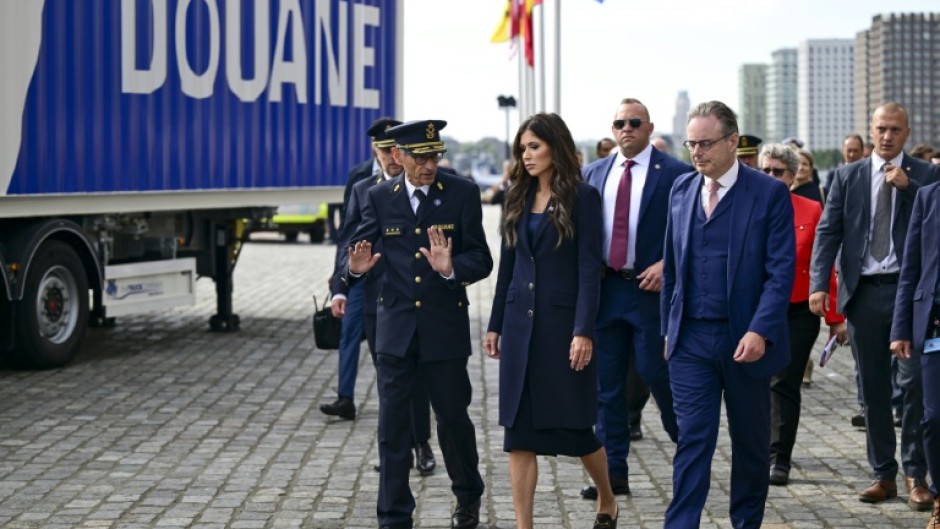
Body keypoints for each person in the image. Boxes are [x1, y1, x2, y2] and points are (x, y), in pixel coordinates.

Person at [345, 119, 492, 529]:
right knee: (392, 430)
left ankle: (467, 497)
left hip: (442, 330)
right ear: (399, 156)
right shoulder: (377, 197)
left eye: (435, 156)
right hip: (394, 331)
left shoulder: (462, 193)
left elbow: (482, 258)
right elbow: (357, 253)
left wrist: (451, 269)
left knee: (453, 421)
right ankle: (393, 515)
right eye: (421, 157)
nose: (430, 165)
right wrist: (353, 272)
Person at [662, 100, 795, 528]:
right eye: (691, 144)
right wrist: (669, 329)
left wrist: (760, 330)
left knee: (751, 445)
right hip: (691, 342)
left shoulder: (768, 193)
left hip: (746, 341)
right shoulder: (681, 191)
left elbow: (780, 272)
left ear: (733, 141)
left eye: (705, 143)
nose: (696, 152)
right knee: (693, 441)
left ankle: (746, 523)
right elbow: (671, 266)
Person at [483, 112, 618, 529]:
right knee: (518, 436)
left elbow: (588, 271)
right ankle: (524, 526)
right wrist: (495, 324)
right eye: (522, 148)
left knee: (577, 430)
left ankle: (607, 499)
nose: (526, 156)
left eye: (534, 147)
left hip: (561, 331)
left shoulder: (583, 197)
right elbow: (508, 266)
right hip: (520, 330)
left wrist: (583, 331)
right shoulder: (515, 197)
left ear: (555, 147)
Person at [810, 102, 940, 510]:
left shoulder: (926, 175)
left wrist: (909, 187)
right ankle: (883, 474)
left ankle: (915, 473)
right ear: (871, 130)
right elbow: (828, 232)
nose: (887, 137)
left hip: (913, 293)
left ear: (906, 132)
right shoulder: (846, 176)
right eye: (881, 129)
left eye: (895, 130)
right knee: (874, 390)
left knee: (916, 386)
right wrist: (819, 285)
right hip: (864, 292)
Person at [579, 97, 691, 501]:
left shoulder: (676, 173)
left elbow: (691, 231)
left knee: (659, 377)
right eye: (619, 123)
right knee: (606, 389)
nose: (626, 128)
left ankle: (691, 460)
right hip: (607, 291)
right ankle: (613, 476)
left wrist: (668, 264)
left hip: (651, 292)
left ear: (648, 127)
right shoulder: (593, 173)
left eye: (634, 122)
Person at [322, 116, 438, 475]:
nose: (390, 155)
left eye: (395, 148)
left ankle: (422, 444)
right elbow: (349, 240)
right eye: (385, 149)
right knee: (389, 378)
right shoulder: (363, 188)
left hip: (415, 296)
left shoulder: (428, 187)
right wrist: (340, 285)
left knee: (417, 378)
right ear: (377, 150)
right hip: (376, 294)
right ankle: (395, 450)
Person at [757, 143, 847, 487]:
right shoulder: (746, 207)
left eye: (778, 171)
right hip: (755, 308)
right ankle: (757, 448)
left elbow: (825, 263)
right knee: (756, 382)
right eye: (765, 170)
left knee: (784, 381)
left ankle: (780, 457)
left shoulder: (811, 210)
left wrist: (835, 315)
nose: (770, 177)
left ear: (793, 176)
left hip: (798, 309)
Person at [890, 180, 940, 528]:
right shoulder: (928, 196)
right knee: (934, 417)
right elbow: (911, 267)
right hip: (934, 326)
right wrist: (901, 328)